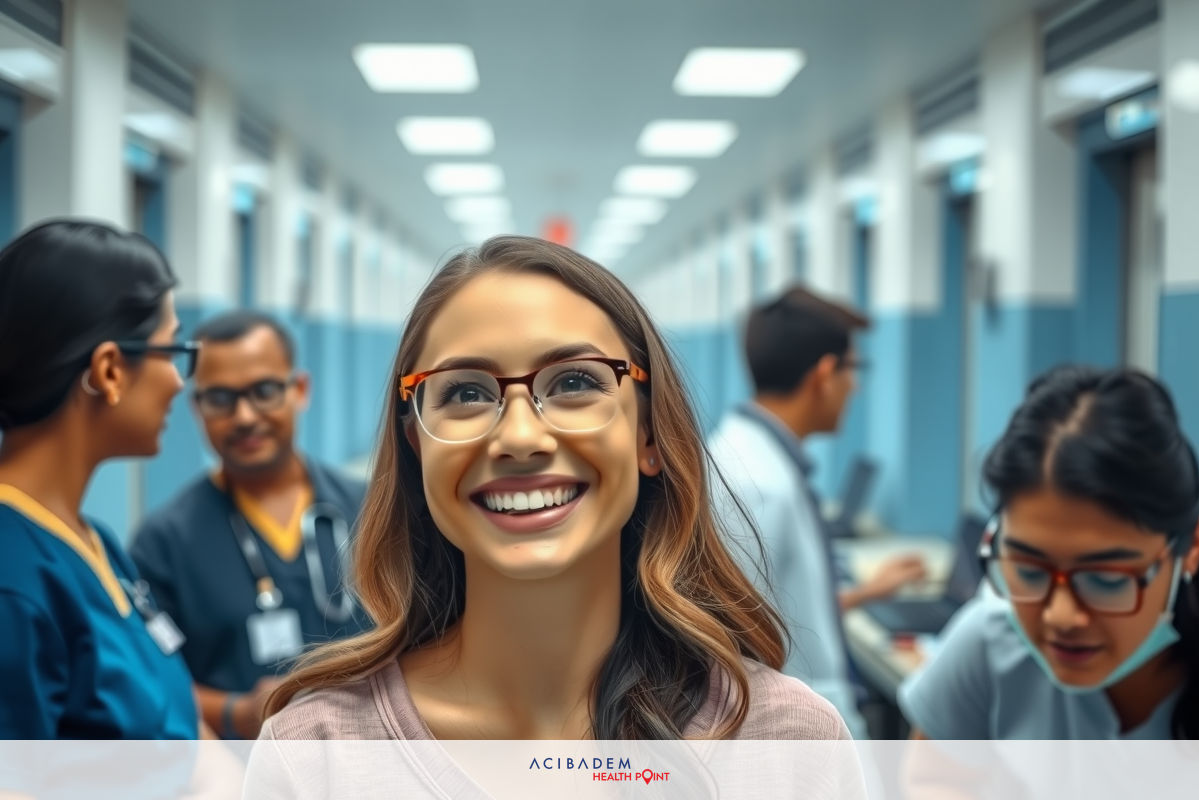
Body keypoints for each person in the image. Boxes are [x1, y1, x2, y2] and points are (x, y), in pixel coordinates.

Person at [253, 235, 862, 751]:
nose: (519, 437)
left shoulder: (785, 744)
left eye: (574, 381)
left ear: (649, 433)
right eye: (465, 392)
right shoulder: (317, 750)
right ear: (417, 444)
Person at [899, 366, 1199, 741]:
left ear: (1191, 547)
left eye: (1105, 580)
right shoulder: (989, 639)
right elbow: (927, 779)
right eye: (1029, 572)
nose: (1061, 617)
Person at [0, 220, 200, 740]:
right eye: (173, 352)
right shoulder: (12, 581)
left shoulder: (96, 544)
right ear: (110, 370)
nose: (180, 382)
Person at [129, 310, 369, 741]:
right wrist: (238, 712)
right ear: (197, 408)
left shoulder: (374, 509)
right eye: (220, 398)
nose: (243, 416)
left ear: (300, 390)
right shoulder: (165, 542)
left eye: (263, 391)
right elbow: (148, 681)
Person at [707, 287, 927, 738]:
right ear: (826, 374)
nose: (856, 386)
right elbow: (730, 637)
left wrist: (867, 592)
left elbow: (771, 609)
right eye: (854, 369)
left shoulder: (761, 462)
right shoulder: (754, 482)